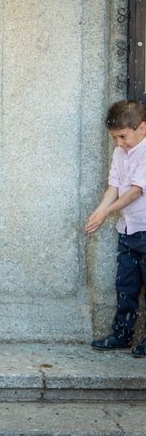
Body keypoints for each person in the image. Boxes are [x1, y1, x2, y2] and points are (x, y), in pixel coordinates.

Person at [86, 100, 146, 358]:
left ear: (142, 128)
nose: (119, 143)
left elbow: (135, 191)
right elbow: (114, 186)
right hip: (127, 229)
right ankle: (122, 334)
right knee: (126, 284)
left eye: (123, 136)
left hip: (144, 229)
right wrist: (100, 211)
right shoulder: (120, 153)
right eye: (115, 138)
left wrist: (108, 212)